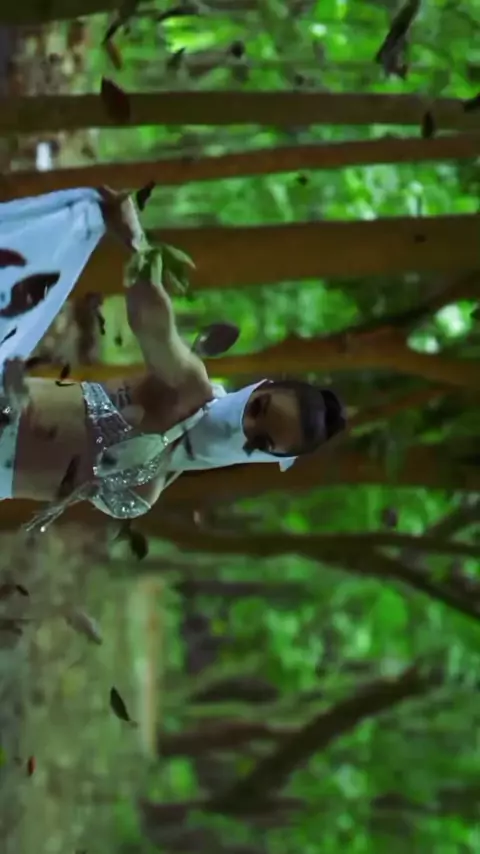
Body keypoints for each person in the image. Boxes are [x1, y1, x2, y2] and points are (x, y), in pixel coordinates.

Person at [0, 187, 346, 533]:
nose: (243, 426)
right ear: (259, 388)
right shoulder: (187, 390)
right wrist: (137, 245)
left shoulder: (145, 492)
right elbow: (152, 326)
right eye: (257, 409)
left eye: (259, 441)